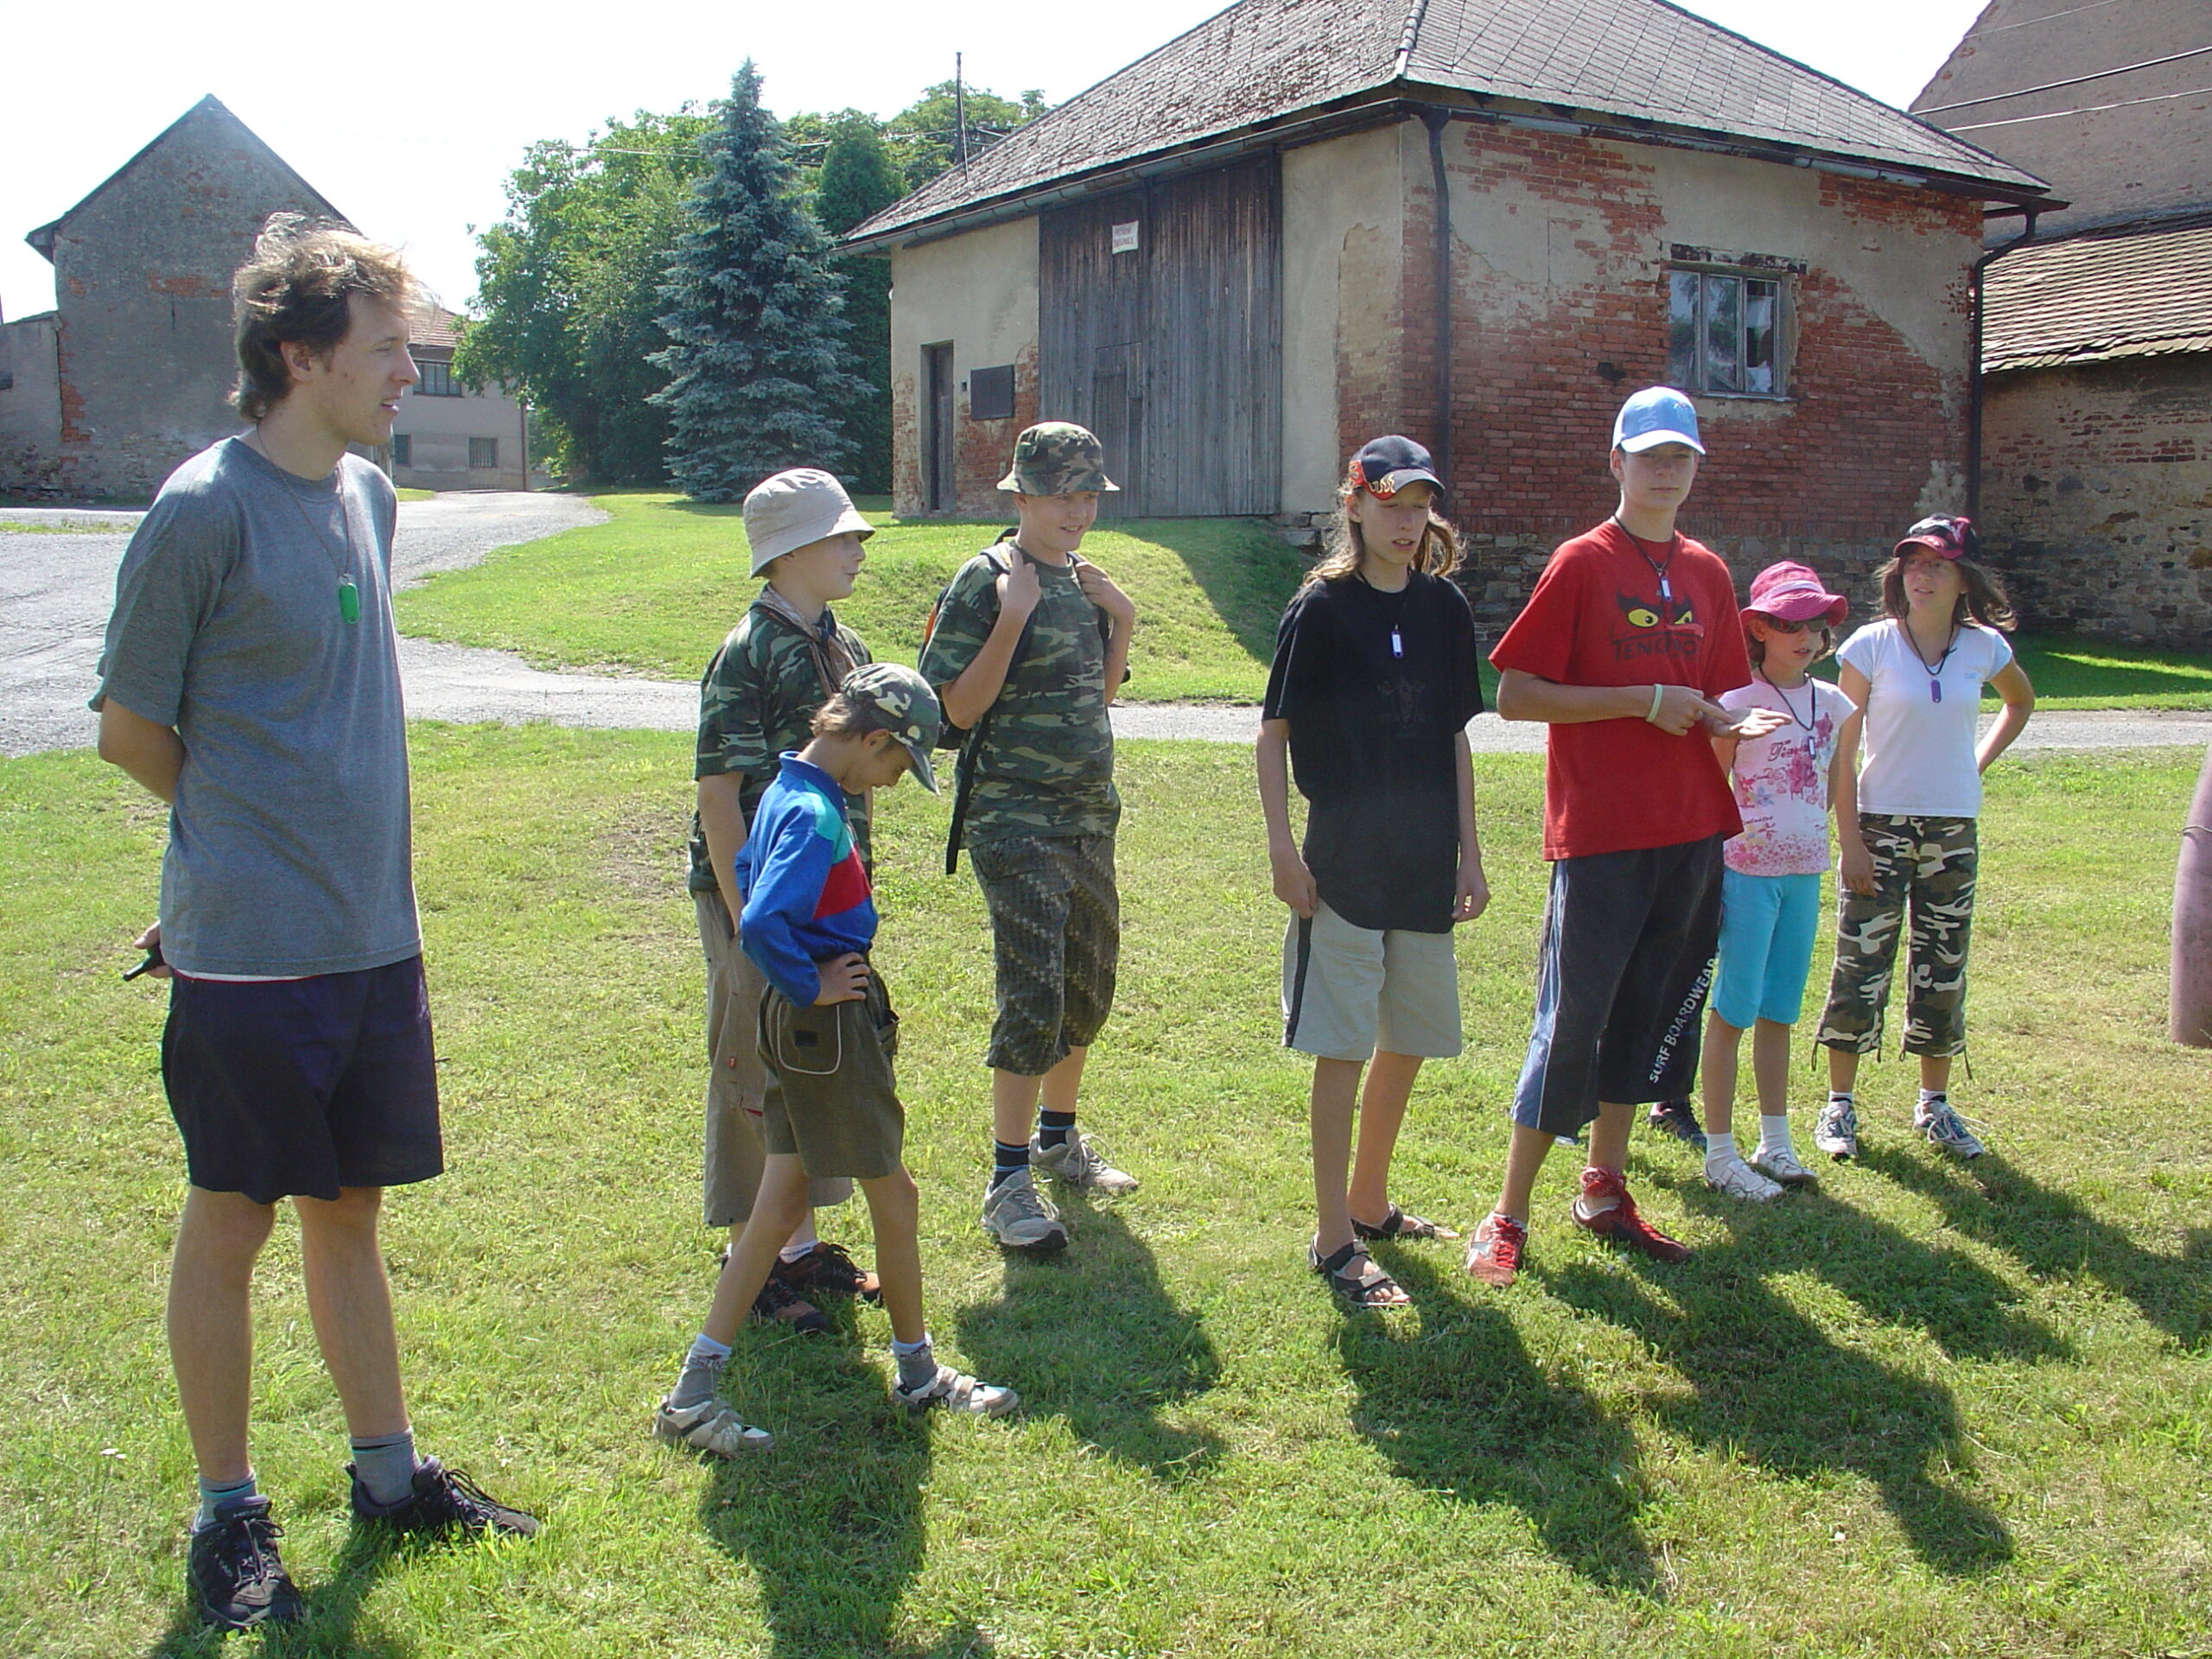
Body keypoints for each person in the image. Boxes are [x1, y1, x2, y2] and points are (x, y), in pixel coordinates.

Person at [92, 216, 535, 1634]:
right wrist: (236, 846)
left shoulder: (368, 495)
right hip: (247, 952)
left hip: (371, 938)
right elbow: (129, 729)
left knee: (352, 1211)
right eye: (389, 349)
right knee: (234, 1215)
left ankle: (388, 1475)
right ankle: (228, 1513)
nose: (410, 371)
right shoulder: (200, 511)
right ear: (299, 355)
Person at [1464, 386, 1785, 1288]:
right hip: (1601, 833)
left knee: (1647, 1015)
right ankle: (1507, 1213)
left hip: (1691, 829)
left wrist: (1724, 721)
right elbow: (1515, 694)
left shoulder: (1708, 573)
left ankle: (1603, 1188)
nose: (1665, 472)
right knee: (1573, 1021)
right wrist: (1642, 702)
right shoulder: (1582, 562)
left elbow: (1710, 696)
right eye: (1649, 456)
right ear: (1616, 462)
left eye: (1680, 457)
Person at [656, 665, 1019, 1454]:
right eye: (897, 765)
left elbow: (752, 884)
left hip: (804, 1033)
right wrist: (813, 984)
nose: (892, 782)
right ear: (874, 738)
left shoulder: (787, 787)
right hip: (829, 1035)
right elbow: (761, 922)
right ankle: (918, 1373)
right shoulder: (818, 814)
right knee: (896, 1196)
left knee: (778, 1205)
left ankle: (692, 1394)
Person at [1258, 436, 1490, 1309]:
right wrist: (1282, 849)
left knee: (1410, 1038)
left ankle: (1370, 1200)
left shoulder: (1444, 607)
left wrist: (1471, 852)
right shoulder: (1321, 609)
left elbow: (1455, 738)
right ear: (1353, 505)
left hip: (1424, 864)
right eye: (1391, 504)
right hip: (1343, 867)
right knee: (1343, 1048)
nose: (1407, 522)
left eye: (1419, 505)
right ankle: (1333, 1237)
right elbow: (1273, 735)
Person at [915, 423, 1139, 1255]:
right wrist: (1012, 619)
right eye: (1059, 495)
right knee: (1033, 993)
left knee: (1086, 986)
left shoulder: (1083, 578)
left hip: (1087, 818)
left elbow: (1096, 699)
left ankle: (1057, 1138)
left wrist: (1122, 619)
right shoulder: (986, 581)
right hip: (1014, 820)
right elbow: (952, 711)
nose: (1075, 511)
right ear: (1021, 496)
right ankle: (1008, 1182)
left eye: (1087, 496)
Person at [690, 468, 886, 1335]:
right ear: (792, 550)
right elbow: (718, 795)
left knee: (810, 1058)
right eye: (842, 535)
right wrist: (747, 923)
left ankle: (797, 1247)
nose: (858, 548)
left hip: (821, 897)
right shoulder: (748, 650)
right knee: (752, 1065)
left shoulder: (844, 643)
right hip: (756, 900)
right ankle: (754, 1258)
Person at [1813, 516, 2036, 1160]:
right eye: (1913, 563)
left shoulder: (1984, 647)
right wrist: (1850, 841)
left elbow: (2019, 702)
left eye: (1938, 564)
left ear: (1964, 578)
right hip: (1881, 824)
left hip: (1952, 827)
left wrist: (1974, 764)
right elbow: (1843, 752)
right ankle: (1839, 1106)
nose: (1923, 575)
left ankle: (1934, 1104)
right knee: (1861, 964)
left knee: (1943, 967)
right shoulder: (1871, 645)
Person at [1695, 562, 1858, 1199]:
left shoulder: (1836, 704)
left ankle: (1776, 1140)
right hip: (1746, 872)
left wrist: (1846, 843)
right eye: (1789, 625)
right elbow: (1711, 784)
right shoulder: (1735, 701)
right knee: (1733, 1008)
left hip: (1803, 874)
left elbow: (1837, 778)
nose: (1805, 637)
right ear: (1759, 629)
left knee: (1780, 1010)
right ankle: (1720, 1148)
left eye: (1814, 625)